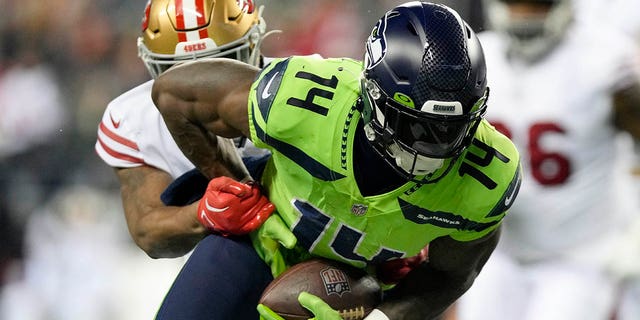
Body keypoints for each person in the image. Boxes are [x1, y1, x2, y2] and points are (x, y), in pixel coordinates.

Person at [153, 2, 522, 319]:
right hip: (257, 247)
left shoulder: (487, 175)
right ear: (372, 97)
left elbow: (453, 273)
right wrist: (238, 187)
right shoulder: (304, 102)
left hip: (356, 292)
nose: (432, 148)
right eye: (412, 125)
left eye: (450, 129)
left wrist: (385, 314)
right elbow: (173, 93)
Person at [454, 0, 640, 320]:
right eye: (515, 4)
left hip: (579, 256)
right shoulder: (477, 56)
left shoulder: (606, 58)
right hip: (496, 252)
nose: (524, 14)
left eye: (536, 4)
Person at [95, 0, 277, 318]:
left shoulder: (303, 84)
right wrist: (203, 213)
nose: (203, 88)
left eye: (223, 64)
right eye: (178, 72)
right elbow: (148, 231)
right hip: (225, 267)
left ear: (254, 45)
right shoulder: (135, 119)